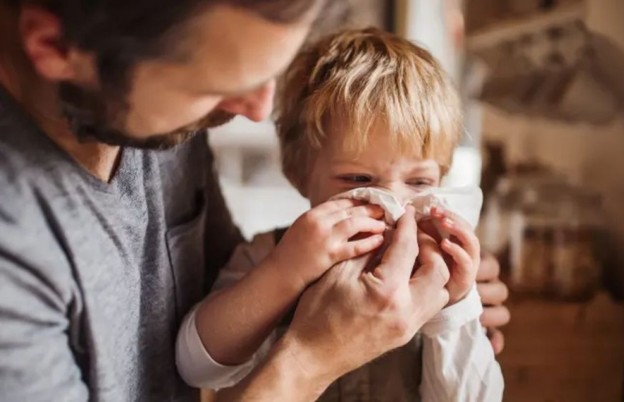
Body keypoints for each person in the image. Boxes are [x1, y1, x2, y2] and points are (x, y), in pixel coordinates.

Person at [0, 1, 509, 401]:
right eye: (216, 84)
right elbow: (200, 355)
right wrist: (312, 353)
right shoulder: (15, 255)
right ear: (56, 47)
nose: (257, 110)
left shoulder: (160, 116)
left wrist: (456, 309)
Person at [176, 28, 503, 401]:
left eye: (419, 182)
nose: (392, 206)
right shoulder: (269, 255)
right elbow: (195, 367)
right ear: (300, 174)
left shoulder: (436, 274)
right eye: (359, 179)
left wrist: (455, 309)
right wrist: (285, 272)